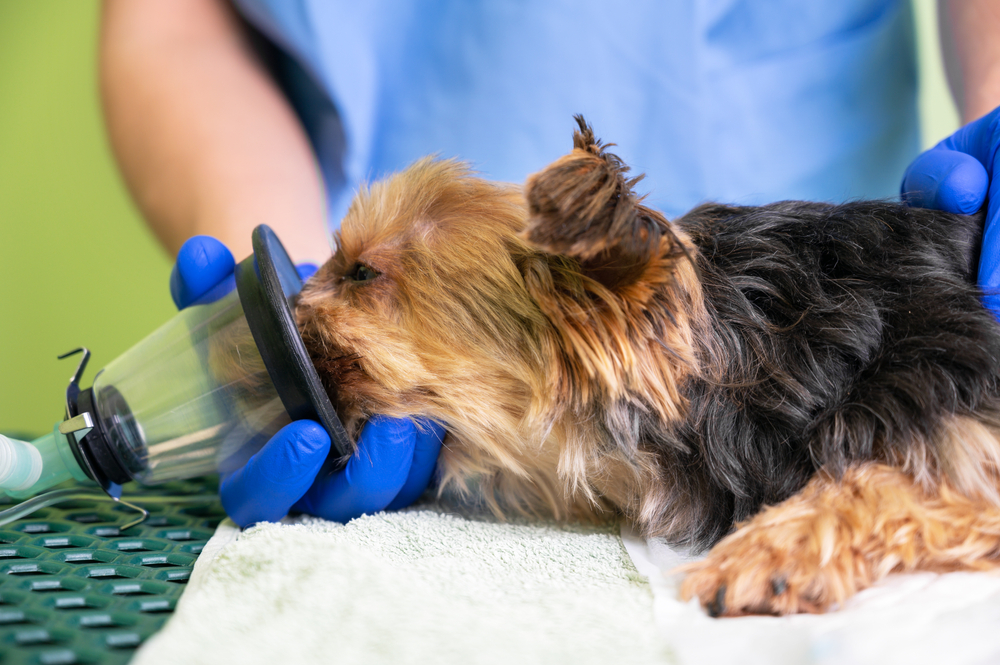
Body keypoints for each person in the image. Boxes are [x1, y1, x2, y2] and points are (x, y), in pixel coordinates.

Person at [99, 0, 1000, 527]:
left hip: (815, 291)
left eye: (359, 275)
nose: (315, 297)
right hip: (329, 195)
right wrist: (283, 290)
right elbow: (172, 22)